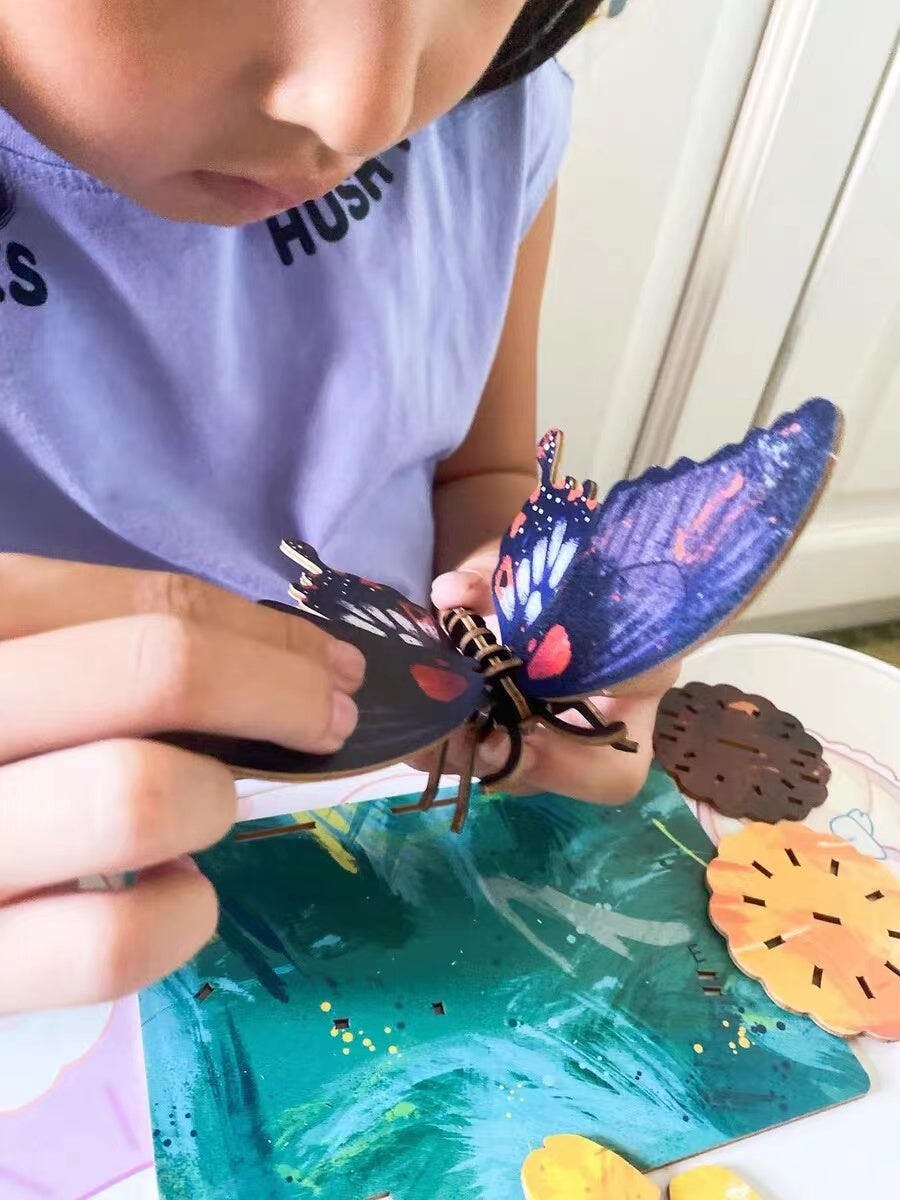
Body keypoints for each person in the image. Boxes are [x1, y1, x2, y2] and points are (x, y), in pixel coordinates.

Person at [0, 0, 676, 1015]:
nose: (366, 111)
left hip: (393, 804)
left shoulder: (493, 117)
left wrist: (542, 617)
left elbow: (481, 473)